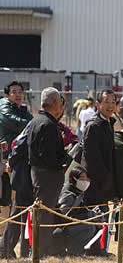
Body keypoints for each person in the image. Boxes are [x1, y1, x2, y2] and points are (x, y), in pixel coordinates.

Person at [27, 87, 66, 257]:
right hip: (47, 177)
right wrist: (64, 161)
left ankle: (38, 250)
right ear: (56, 103)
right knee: (44, 215)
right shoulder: (48, 124)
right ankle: (39, 252)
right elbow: (48, 156)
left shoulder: (36, 120)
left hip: (38, 174)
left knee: (42, 214)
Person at [81, 89, 117, 256]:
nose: (110, 106)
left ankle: (101, 249)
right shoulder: (93, 125)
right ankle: (94, 250)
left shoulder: (108, 123)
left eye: (113, 102)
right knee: (95, 216)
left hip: (105, 179)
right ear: (98, 104)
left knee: (103, 216)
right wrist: (104, 176)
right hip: (94, 180)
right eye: (106, 102)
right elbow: (91, 156)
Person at [52, 166, 96, 256]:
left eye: (87, 179)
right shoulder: (67, 194)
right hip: (59, 231)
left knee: (96, 224)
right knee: (89, 227)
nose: (85, 181)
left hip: (68, 227)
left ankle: (93, 252)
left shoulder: (78, 191)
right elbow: (64, 217)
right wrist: (89, 215)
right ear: (73, 178)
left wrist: (92, 214)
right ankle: (74, 253)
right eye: (82, 178)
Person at [0, 81, 33, 158]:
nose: (18, 95)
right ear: (7, 95)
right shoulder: (3, 108)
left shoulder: (22, 108)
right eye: (14, 92)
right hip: (6, 156)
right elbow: (18, 124)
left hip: (19, 153)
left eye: (20, 92)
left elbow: (32, 123)